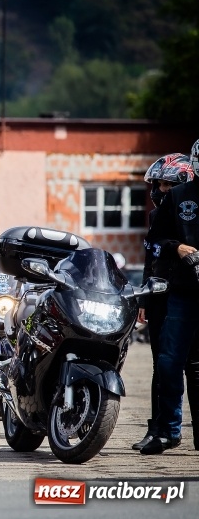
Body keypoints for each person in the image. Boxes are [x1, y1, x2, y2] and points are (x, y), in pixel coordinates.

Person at [133, 154, 194, 450]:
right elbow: (151, 257)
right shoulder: (159, 214)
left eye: (167, 184)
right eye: (158, 183)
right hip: (161, 294)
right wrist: (144, 296)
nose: (160, 189)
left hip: (183, 291)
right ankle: (160, 428)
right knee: (163, 365)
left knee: (191, 366)